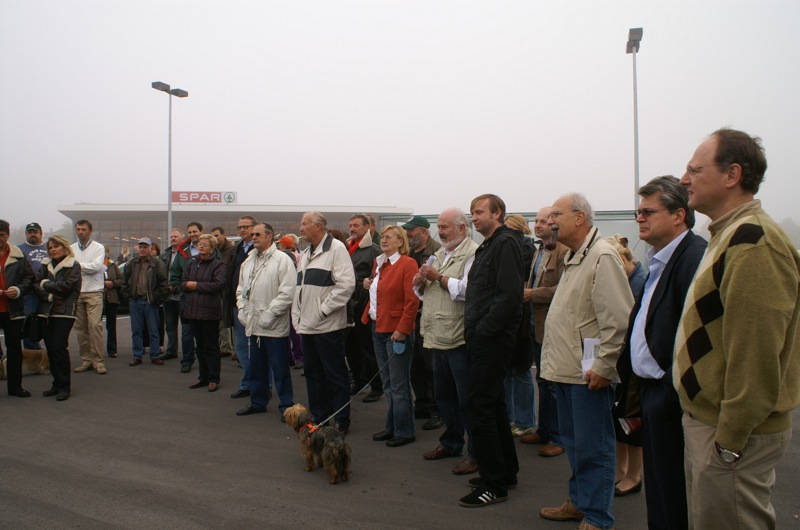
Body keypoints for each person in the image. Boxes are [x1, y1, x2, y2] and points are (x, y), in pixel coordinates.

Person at [675, 128, 800, 528]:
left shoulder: (754, 243)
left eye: (695, 170)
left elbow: (757, 355)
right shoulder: (728, 234)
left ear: (732, 174)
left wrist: (729, 441)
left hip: (728, 434)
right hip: (711, 426)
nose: (684, 179)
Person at [615, 175, 706, 529]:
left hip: (672, 395)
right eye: (638, 212)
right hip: (652, 392)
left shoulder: (693, 258)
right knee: (660, 490)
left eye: (649, 212)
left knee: (673, 493)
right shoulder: (660, 260)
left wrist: (668, 388)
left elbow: (696, 336)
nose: (640, 218)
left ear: (679, 215)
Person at [538, 194, 633, 530]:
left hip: (588, 374)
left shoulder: (602, 256)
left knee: (594, 447)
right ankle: (580, 503)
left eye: (556, 214)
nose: (550, 221)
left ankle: (597, 516)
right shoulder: (576, 256)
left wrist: (605, 367)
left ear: (580, 217)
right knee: (576, 445)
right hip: (566, 371)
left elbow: (618, 320)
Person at [459, 194, 523, 508]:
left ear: (497, 213)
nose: (474, 217)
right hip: (483, 338)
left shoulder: (505, 243)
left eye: (479, 212)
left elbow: (509, 296)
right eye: (472, 212)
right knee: (493, 405)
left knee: (479, 406)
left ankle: (493, 484)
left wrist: (484, 331)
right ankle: (504, 472)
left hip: (492, 340)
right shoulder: (488, 246)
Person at [414, 209, 479, 475]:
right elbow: (423, 293)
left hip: (458, 337)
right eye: (439, 227)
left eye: (445, 227)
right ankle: (451, 442)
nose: (440, 232)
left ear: (462, 228)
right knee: (444, 397)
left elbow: (468, 290)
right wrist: (419, 282)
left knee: (466, 400)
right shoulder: (440, 253)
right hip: (436, 335)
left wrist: (437, 278)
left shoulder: (473, 253)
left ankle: (475, 453)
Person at [292, 212, 355, 435]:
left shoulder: (336, 248)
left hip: (328, 327)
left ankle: (341, 420)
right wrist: (297, 316)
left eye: (304, 224)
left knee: (335, 375)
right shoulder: (306, 253)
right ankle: (320, 417)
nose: (300, 228)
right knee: (313, 373)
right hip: (308, 325)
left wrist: (322, 311)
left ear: (319, 226)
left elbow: (346, 285)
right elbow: (299, 289)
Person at [363, 225, 420, 447]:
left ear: (400, 242)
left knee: (398, 384)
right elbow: (380, 293)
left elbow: (412, 300)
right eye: (383, 237)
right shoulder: (379, 263)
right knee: (388, 383)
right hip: (377, 327)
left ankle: (405, 430)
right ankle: (392, 426)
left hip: (396, 331)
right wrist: (368, 284)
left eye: (389, 237)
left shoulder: (407, 263)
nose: (384, 240)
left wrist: (403, 329)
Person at [520, 206, 569, 458]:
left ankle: (558, 437)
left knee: (553, 384)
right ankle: (544, 430)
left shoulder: (563, 251)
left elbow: (564, 288)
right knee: (542, 379)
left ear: (554, 224)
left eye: (543, 221)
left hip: (552, 326)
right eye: (536, 220)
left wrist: (532, 294)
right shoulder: (539, 249)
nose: (538, 225)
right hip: (535, 325)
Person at [235, 223, 296, 417]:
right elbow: (241, 290)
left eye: (258, 234)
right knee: (256, 368)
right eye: (253, 234)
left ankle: (286, 406)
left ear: (269, 236)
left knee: (280, 369)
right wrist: (242, 311)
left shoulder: (282, 260)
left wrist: (269, 315)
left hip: (274, 326)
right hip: (253, 324)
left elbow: (287, 293)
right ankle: (257, 402)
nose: (253, 237)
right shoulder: (248, 261)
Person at [605, 233, 647, 498]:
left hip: (634, 362)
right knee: (617, 418)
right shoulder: (626, 279)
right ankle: (621, 470)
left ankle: (634, 475)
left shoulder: (641, 281)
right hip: (621, 360)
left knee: (632, 420)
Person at [404, 215, 444, 431]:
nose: (408, 234)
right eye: (407, 231)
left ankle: (438, 410)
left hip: (429, 315)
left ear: (424, 232)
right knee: (415, 365)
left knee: (432, 366)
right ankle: (422, 403)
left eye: (411, 231)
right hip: (412, 315)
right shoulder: (408, 253)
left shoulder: (437, 251)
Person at [35, 235, 82, 401]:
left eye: (56, 246)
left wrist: (46, 284)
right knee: (50, 348)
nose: (53, 250)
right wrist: (47, 294)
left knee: (58, 347)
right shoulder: (44, 265)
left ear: (64, 247)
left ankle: (64, 387)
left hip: (65, 311)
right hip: (46, 311)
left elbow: (67, 288)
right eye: (50, 247)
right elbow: (35, 285)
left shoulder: (74, 265)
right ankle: (56, 384)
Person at [502, 214, 536, 439]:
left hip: (521, 319)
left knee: (520, 371)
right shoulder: (522, 248)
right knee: (509, 370)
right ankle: (513, 418)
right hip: (513, 318)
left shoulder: (525, 249)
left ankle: (524, 421)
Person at [182, 234, 226, 392]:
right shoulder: (191, 263)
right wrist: (189, 285)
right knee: (199, 346)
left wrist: (195, 286)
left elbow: (218, 285)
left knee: (211, 346)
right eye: (200, 244)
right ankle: (203, 377)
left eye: (205, 245)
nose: (201, 246)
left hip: (209, 313)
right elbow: (183, 283)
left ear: (212, 248)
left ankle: (214, 378)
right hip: (193, 312)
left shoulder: (218, 265)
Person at [346, 214, 382, 403]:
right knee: (351, 347)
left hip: (363, 304)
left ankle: (377, 386)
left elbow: (378, 276)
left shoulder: (373, 250)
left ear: (367, 228)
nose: (352, 228)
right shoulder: (347, 248)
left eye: (356, 225)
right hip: (348, 304)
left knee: (367, 347)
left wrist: (362, 293)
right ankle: (359, 380)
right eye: (350, 225)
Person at [0, 219, 35, 398]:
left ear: (8, 235)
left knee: (14, 349)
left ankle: (15, 387)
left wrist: (18, 289)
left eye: (1, 235)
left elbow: (30, 278)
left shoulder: (18, 255)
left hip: (12, 310)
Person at [122, 238, 168, 366]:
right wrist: (128, 297)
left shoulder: (157, 263)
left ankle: (155, 355)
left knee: (154, 331)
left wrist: (158, 299)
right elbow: (124, 282)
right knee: (136, 330)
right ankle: (137, 356)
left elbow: (163, 282)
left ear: (150, 248)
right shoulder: (131, 263)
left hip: (150, 302)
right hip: (135, 301)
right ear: (137, 248)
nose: (142, 249)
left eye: (145, 247)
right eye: (140, 247)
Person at [71, 220, 108, 375]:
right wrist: (86, 266)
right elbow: (69, 268)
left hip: (94, 291)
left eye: (83, 229)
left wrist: (77, 266)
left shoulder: (98, 248)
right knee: (80, 329)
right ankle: (86, 360)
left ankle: (98, 361)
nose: (80, 232)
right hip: (77, 292)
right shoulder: (71, 248)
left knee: (94, 326)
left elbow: (97, 267)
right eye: (78, 229)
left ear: (90, 231)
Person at [226, 217, 257, 398]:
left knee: (257, 349)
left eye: (246, 227)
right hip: (237, 304)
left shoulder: (260, 249)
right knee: (241, 348)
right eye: (240, 227)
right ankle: (247, 383)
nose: (242, 230)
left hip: (256, 305)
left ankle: (262, 385)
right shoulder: (236, 250)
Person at [18, 222, 48, 350]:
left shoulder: (49, 247)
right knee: (30, 323)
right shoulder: (19, 249)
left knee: (48, 323)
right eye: (29, 232)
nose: (32, 235)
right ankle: (32, 353)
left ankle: (50, 354)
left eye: (35, 232)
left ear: (41, 234)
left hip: (47, 291)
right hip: (29, 294)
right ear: (26, 234)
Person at [160, 229, 186, 362]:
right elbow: (160, 273)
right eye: (171, 237)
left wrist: (177, 286)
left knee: (186, 327)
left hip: (181, 294)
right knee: (170, 325)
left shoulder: (185, 253)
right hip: (168, 296)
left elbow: (187, 272)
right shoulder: (164, 255)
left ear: (181, 238)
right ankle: (171, 350)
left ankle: (188, 352)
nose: (173, 238)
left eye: (176, 236)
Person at [211, 226, 235, 357]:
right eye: (213, 236)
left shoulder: (232, 251)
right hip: (215, 291)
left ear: (223, 235)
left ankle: (231, 348)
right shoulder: (212, 251)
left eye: (217, 235)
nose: (215, 238)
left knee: (230, 321)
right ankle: (224, 346)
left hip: (228, 291)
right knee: (220, 321)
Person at [102, 245, 122, 358]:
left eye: (105, 251)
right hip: (98, 298)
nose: (103, 253)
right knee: (95, 326)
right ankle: (96, 350)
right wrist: (103, 283)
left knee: (111, 326)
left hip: (111, 298)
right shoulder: (95, 265)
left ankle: (112, 350)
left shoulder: (113, 265)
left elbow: (121, 280)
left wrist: (113, 283)